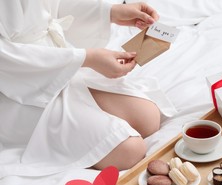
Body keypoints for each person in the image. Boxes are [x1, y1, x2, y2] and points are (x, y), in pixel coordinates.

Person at [0, 0, 176, 174]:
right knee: (130, 151)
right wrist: (86, 58)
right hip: (17, 85)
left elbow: (48, 9)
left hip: (58, 59)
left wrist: (110, 12)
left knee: (148, 118)